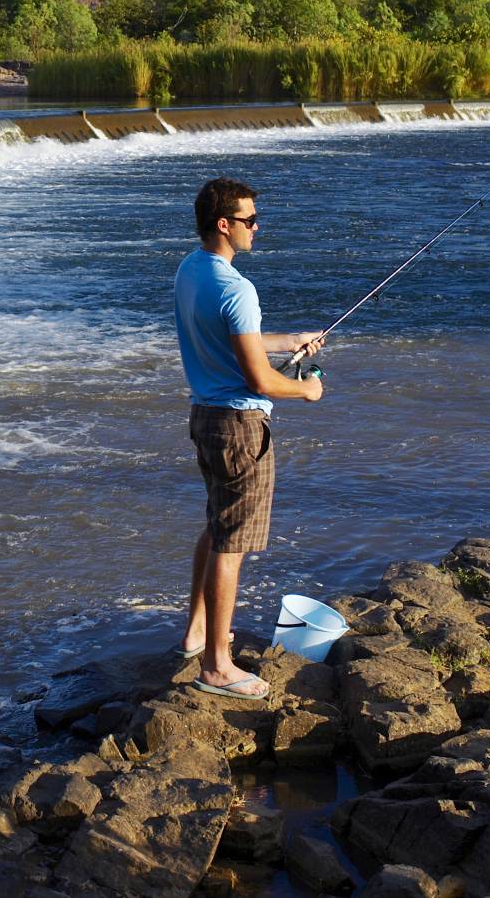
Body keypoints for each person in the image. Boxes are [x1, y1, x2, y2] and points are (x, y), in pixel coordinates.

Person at [174, 177, 323, 699]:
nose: (257, 228)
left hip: (205, 418)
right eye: (249, 220)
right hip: (240, 428)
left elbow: (230, 337)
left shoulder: (191, 271)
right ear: (224, 224)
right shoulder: (238, 288)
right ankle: (217, 665)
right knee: (232, 544)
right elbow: (261, 381)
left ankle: (195, 634)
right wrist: (307, 390)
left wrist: (289, 340)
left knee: (217, 527)